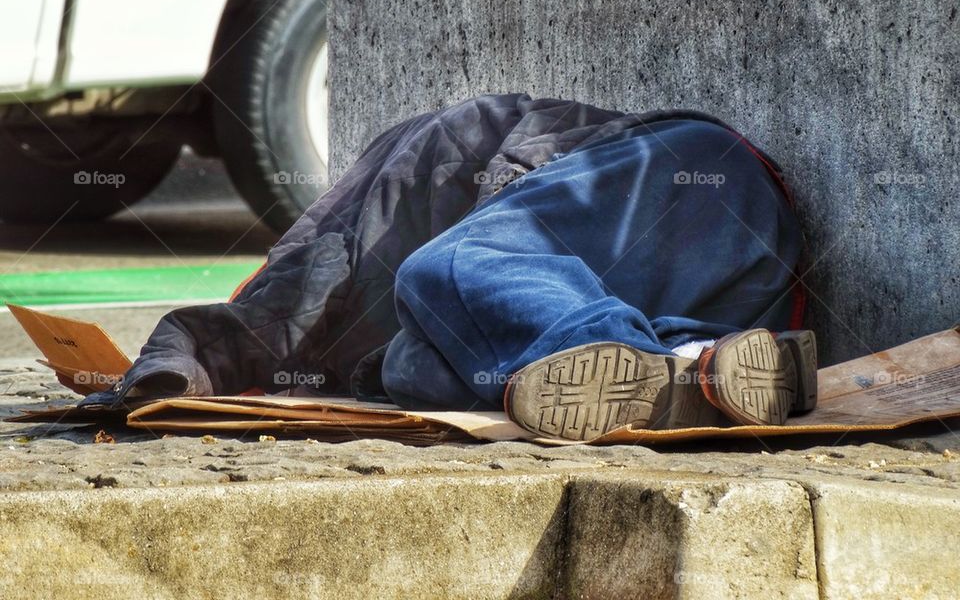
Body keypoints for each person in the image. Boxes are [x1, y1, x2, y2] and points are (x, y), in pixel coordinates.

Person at [82, 94, 816, 440]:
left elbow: (256, 321)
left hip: (694, 178)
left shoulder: (368, 209)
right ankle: (694, 364)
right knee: (423, 367)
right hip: (723, 288)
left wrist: (152, 378)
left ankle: (635, 355)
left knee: (443, 271)